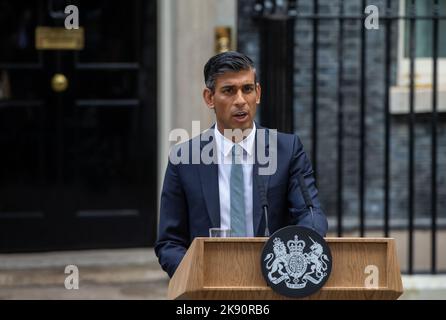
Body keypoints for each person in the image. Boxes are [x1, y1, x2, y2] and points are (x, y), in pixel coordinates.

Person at [155, 51, 328, 278]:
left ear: (257, 93)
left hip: (274, 282)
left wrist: (290, 266)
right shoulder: (184, 159)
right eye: (228, 90)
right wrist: (196, 277)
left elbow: (311, 215)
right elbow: (169, 241)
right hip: (209, 286)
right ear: (209, 98)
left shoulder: (287, 150)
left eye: (247, 89)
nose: (240, 100)